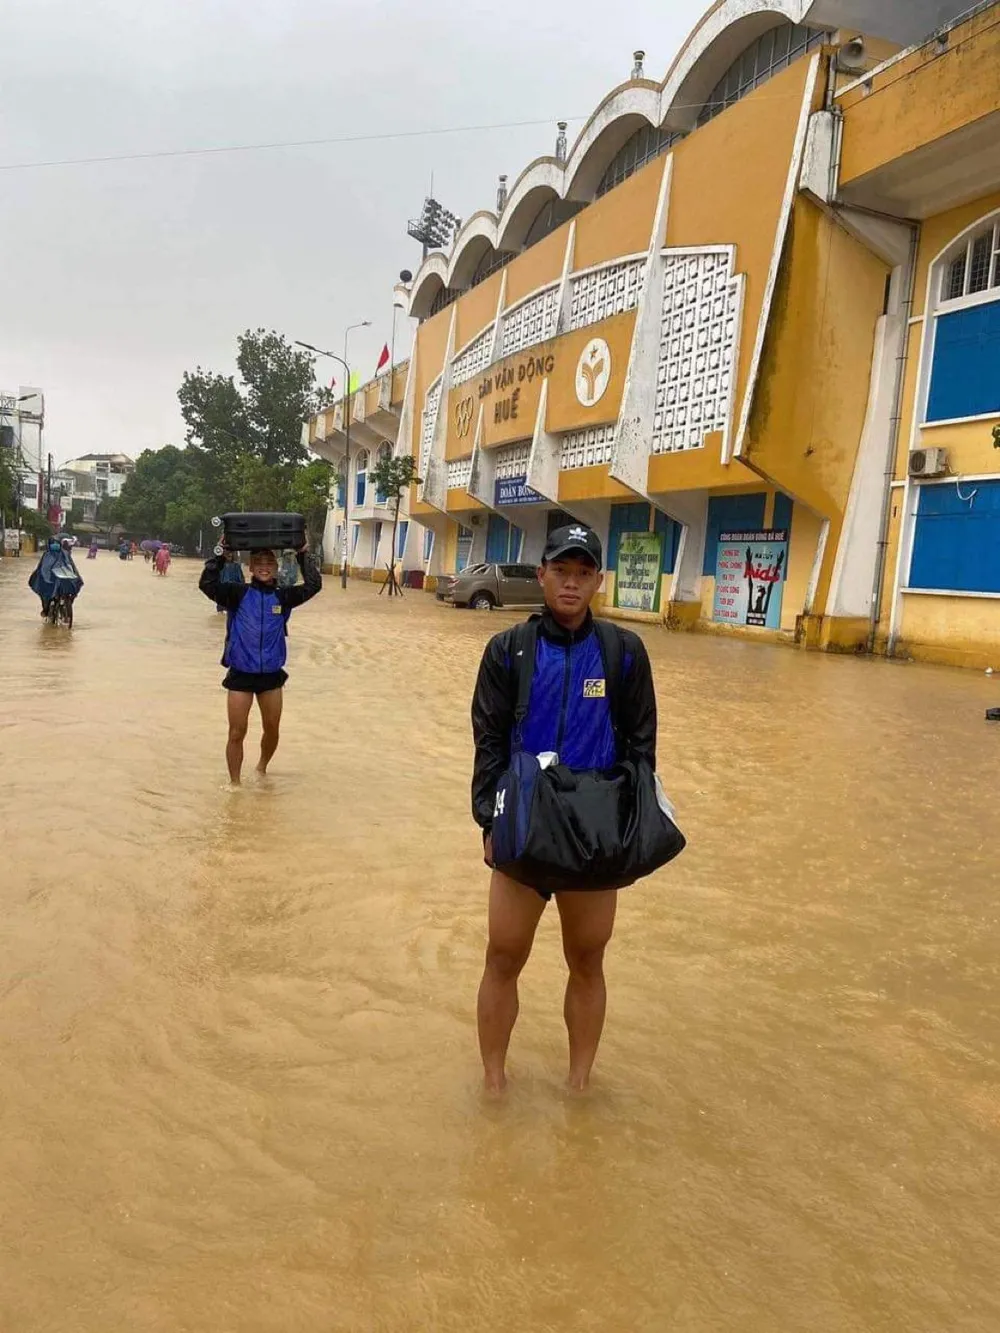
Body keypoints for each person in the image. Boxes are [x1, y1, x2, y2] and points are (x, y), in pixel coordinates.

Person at [471, 524, 657, 1093]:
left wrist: (625, 827)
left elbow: (641, 748)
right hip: (526, 823)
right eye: (561, 571)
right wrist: (488, 820)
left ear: (599, 581)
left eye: (583, 574)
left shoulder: (624, 652)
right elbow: (489, 741)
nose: (571, 584)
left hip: (594, 830)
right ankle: (495, 1085)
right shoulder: (509, 650)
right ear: (543, 575)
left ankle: (579, 1086)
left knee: (588, 959)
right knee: (503, 955)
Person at [198, 543, 321, 784]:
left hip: (271, 676)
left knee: (272, 728)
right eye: (259, 564)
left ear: (275, 567)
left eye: (269, 563)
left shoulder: (283, 596)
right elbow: (207, 584)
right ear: (251, 567)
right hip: (241, 674)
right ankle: (234, 784)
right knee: (236, 732)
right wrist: (220, 553)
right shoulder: (237, 593)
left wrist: (303, 554)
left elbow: (313, 585)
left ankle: (262, 768)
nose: (264, 567)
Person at [29, 537, 84, 619]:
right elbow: (43, 569)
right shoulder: (49, 554)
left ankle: (50, 610)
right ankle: (46, 610)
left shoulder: (63, 554)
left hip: (63, 578)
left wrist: (75, 576)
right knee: (45, 594)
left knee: (73, 588)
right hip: (51, 579)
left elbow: (71, 567)